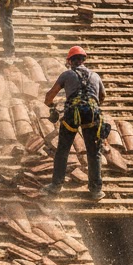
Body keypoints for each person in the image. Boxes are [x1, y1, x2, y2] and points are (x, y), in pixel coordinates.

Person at [42, 45, 107, 202]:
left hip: (72, 114)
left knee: (63, 150)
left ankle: (56, 186)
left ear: (70, 61)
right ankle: (96, 190)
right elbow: (102, 96)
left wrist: (52, 107)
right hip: (92, 114)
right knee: (94, 152)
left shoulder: (67, 74)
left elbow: (49, 95)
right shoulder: (95, 76)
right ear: (83, 60)